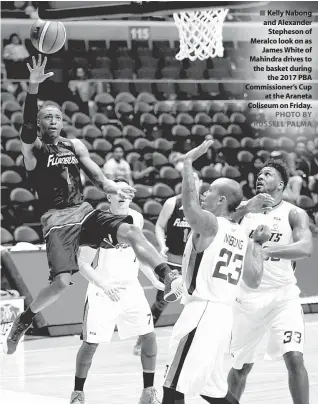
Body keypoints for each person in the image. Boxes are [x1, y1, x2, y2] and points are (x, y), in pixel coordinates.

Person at [3, 55, 180, 356]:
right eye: (48, 117)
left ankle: (167, 274)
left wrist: (115, 187)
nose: (54, 121)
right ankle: (24, 320)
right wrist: (33, 89)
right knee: (60, 284)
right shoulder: (33, 149)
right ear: (39, 122)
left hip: (84, 212)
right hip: (57, 219)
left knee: (133, 231)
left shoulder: (75, 146)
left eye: (58, 117)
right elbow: (27, 128)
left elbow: (99, 180)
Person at [162, 140, 270, 404]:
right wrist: (256, 242)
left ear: (221, 200)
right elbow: (253, 281)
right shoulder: (240, 234)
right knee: (215, 393)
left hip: (202, 312)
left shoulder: (210, 224)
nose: (203, 194)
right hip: (222, 316)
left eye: (208, 190)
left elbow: (190, 209)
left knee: (173, 386)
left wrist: (187, 164)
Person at [70, 178, 163, 404]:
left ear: (131, 196)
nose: (122, 195)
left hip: (131, 289)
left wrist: (154, 278)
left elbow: (139, 255)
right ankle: (78, 393)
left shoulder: (137, 219)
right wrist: (103, 284)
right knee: (90, 344)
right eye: (117, 191)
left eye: (126, 192)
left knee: (149, 337)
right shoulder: (96, 221)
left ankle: (148, 391)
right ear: (108, 195)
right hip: (102, 290)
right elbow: (82, 263)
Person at [228, 159, 313, 404]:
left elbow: (306, 247)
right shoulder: (243, 211)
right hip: (247, 298)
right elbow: (214, 223)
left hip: (282, 296)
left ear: (281, 184)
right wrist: (245, 208)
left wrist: (268, 251)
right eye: (259, 173)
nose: (260, 177)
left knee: (295, 358)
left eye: (267, 174)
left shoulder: (293, 213)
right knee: (241, 368)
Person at [134, 172, 202, 355]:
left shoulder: (204, 205)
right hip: (173, 261)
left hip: (195, 264)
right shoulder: (173, 202)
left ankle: (195, 342)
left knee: (198, 303)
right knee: (161, 303)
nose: (191, 182)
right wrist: (162, 244)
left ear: (200, 183)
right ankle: (142, 339)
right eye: (187, 179)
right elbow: (159, 225)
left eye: (194, 179)